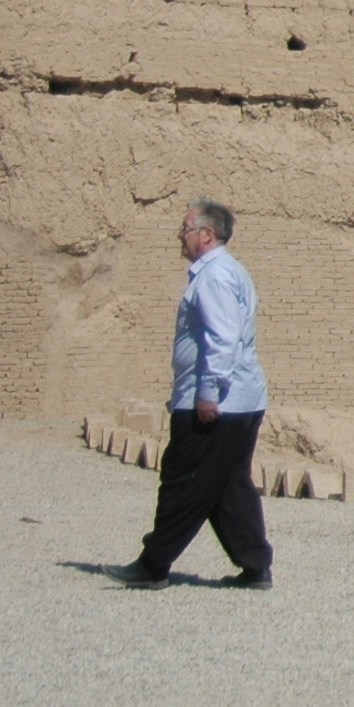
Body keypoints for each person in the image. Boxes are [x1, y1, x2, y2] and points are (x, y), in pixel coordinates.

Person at [118, 200, 273, 589]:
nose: (180, 238)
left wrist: (206, 394)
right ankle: (255, 567)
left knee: (184, 481)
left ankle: (153, 565)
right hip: (241, 400)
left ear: (206, 234)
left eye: (185, 229)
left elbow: (222, 339)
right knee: (227, 486)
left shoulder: (216, 276)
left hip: (219, 403)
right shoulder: (229, 272)